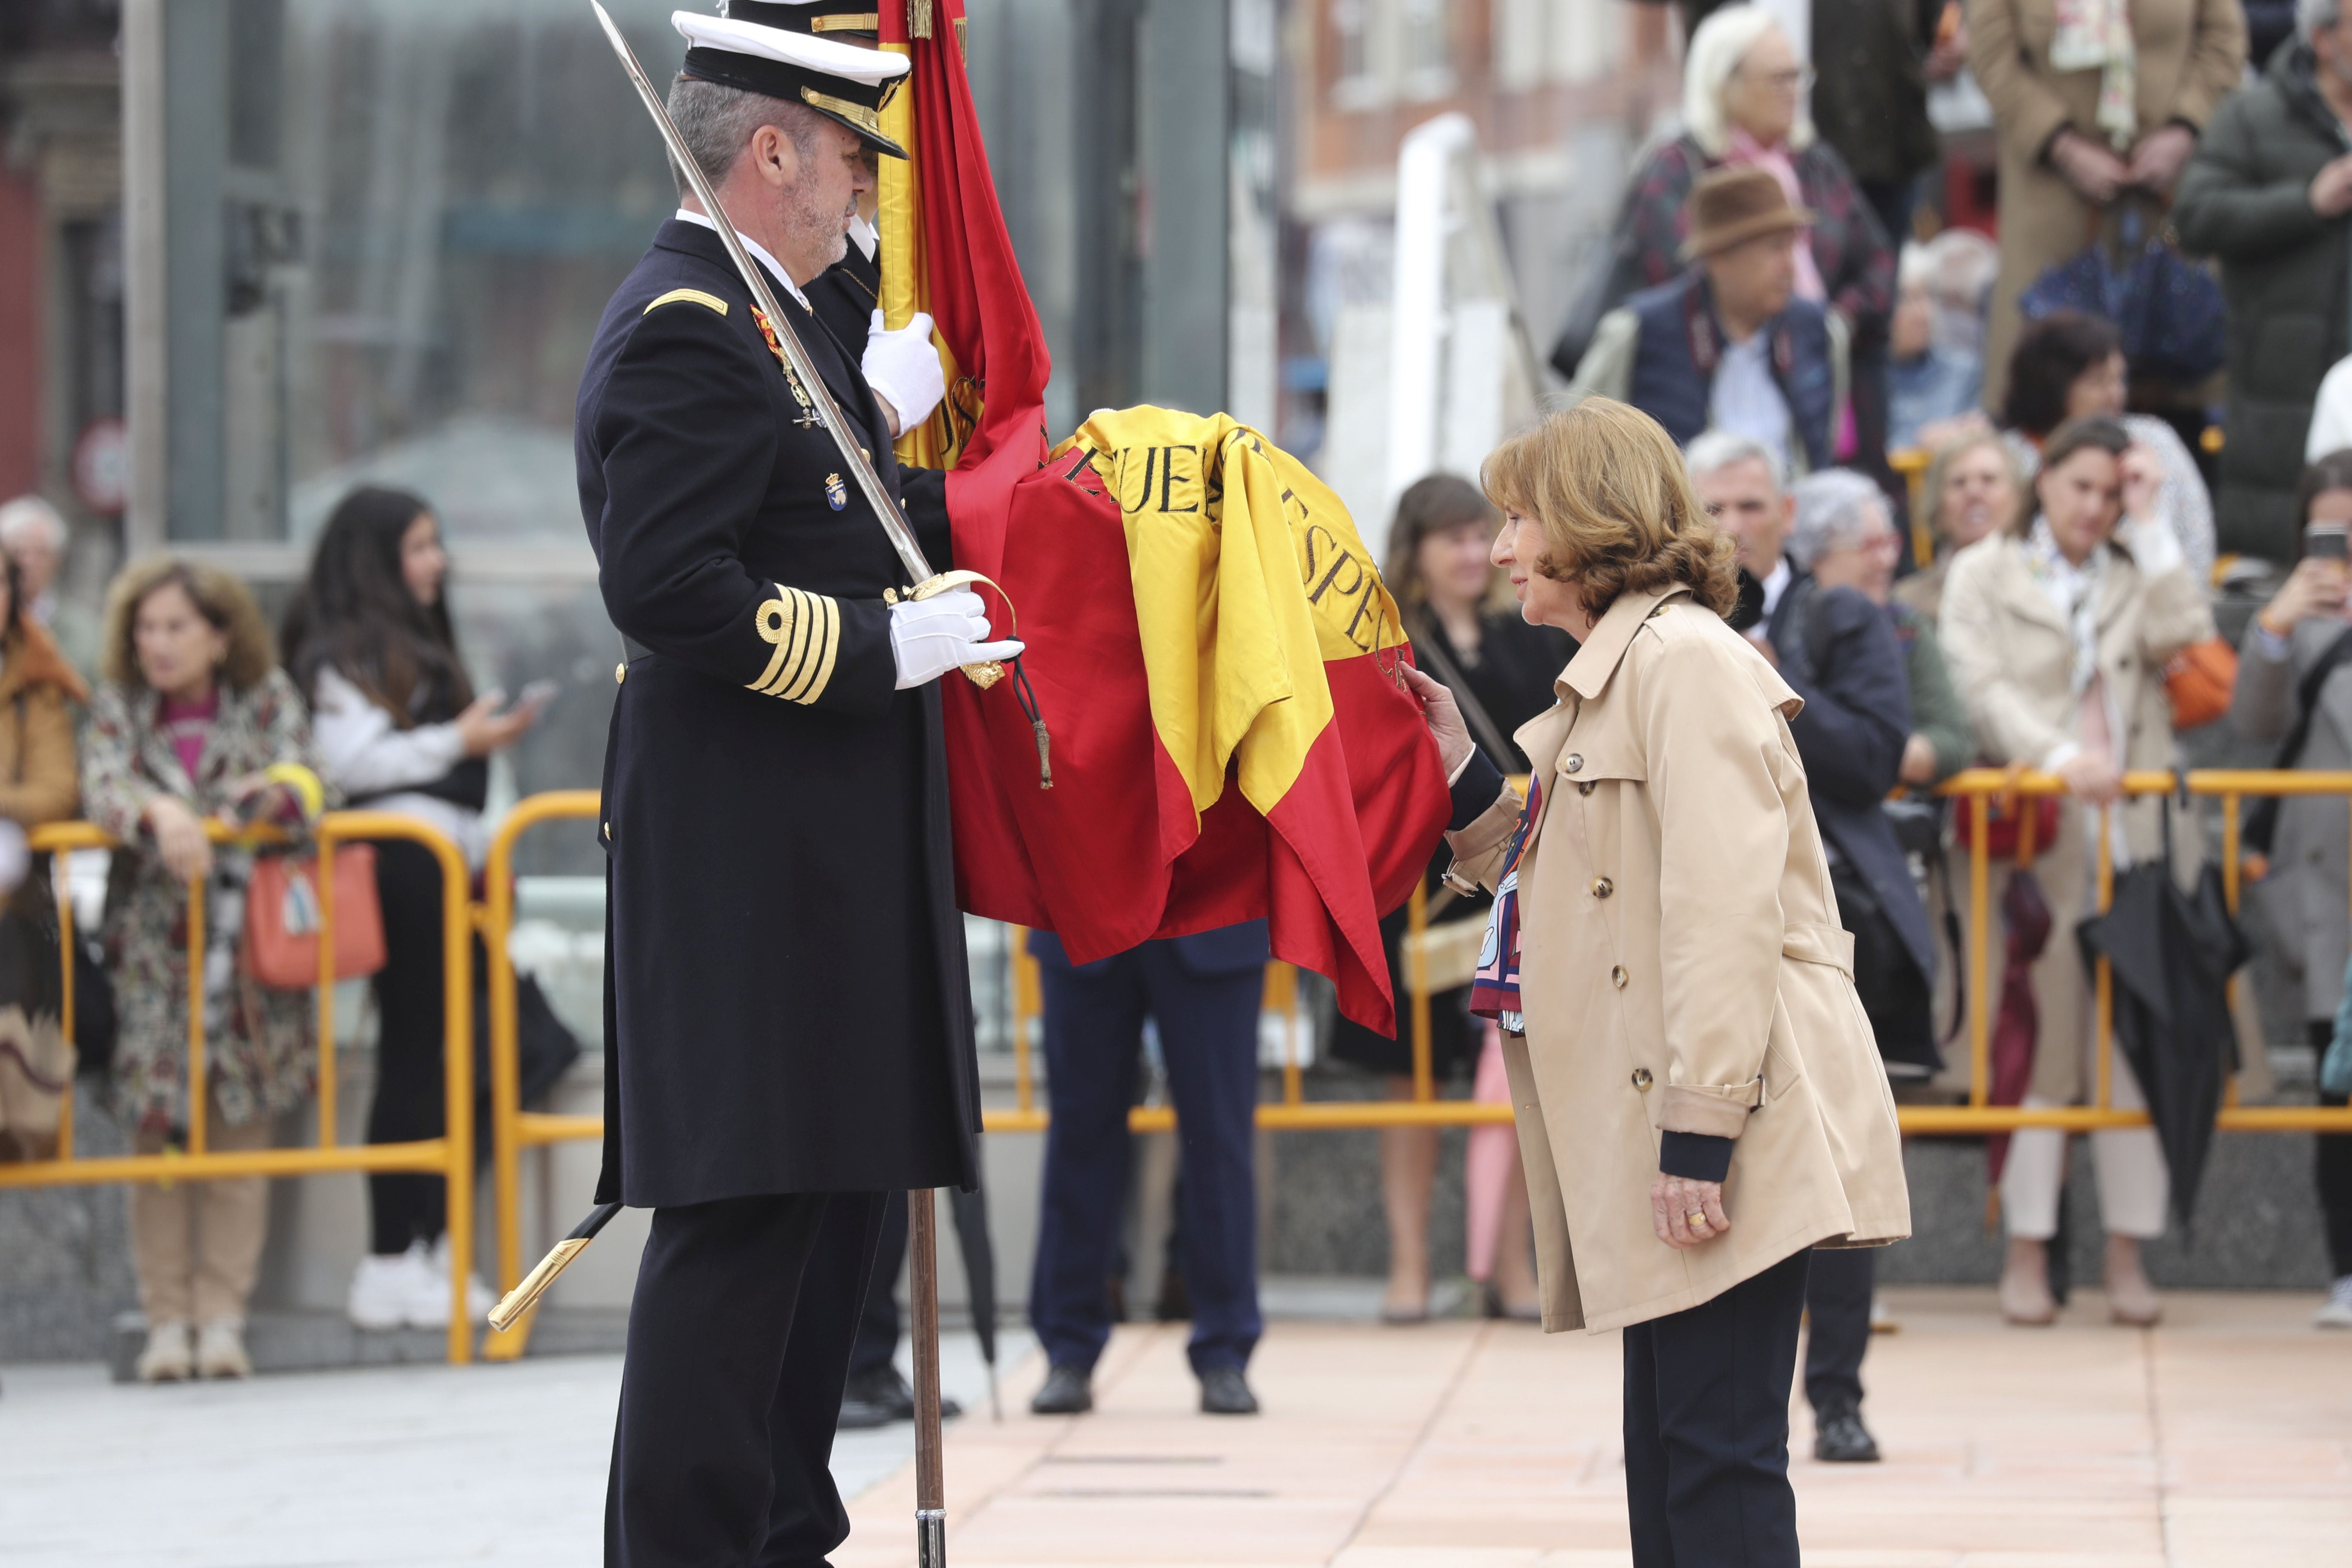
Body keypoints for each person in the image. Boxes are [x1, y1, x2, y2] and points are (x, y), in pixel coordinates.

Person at [576, 10, 1014, 1561]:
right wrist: (880, 644)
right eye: (843, 159)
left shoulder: (777, 316)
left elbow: (804, 502)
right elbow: (669, 583)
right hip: (743, 855)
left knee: (821, 1217)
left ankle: (776, 1523)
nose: (863, 197)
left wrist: (882, 431)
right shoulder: (690, 322)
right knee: (745, 1220)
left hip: (817, 849)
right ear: (769, 151)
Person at [1414, 396, 1908, 1564]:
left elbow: (1723, 913)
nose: (1501, 550)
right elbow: (1558, 861)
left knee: (1718, 1471)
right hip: (1677, 1115)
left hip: (1720, 1119)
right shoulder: (1629, 668)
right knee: (1677, 1468)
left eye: (1520, 518)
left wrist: (1699, 1132)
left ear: (1586, 524)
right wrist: (1455, 769)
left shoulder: (1682, 662)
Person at [1938, 416, 2215, 1326]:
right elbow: (1976, 685)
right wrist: (2057, 755)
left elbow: (2188, 634)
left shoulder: (2136, 569)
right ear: (2043, 480)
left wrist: (2153, 520)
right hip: (2040, 835)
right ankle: (2026, 1253)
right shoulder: (1984, 571)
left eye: (2110, 491)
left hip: (2137, 840)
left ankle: (2128, 1259)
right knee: (2041, 1048)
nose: (2093, 506)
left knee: (2137, 1052)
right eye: (2081, 486)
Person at [280, 486, 542, 1332]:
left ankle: (425, 1244)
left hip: (448, 866)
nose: (438, 563)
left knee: (486, 1047)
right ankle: (394, 1255)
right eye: (421, 547)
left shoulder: (411, 640)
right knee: (416, 1051)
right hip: (401, 868)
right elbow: (350, 764)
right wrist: (456, 743)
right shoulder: (337, 653)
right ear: (379, 560)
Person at [1329, 474, 1571, 1325]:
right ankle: (1406, 1267)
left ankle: (1509, 1269)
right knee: (1411, 1085)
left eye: (1484, 536)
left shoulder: (1532, 638)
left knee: (1514, 1085)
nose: (1474, 554)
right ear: (1418, 548)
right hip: (1416, 888)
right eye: (1454, 538)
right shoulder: (1390, 642)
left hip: (1511, 884)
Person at [81, 558, 327, 1382]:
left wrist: (270, 796)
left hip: (246, 952)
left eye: (178, 626)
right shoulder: (120, 706)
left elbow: (310, 778)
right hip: (151, 956)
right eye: (147, 627)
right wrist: (159, 809)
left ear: (221, 635)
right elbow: (102, 783)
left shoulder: (267, 699)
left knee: (239, 1131)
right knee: (157, 1136)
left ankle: (223, 1316)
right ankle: (166, 1320)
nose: (159, 643)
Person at [1589, 5, 1893, 466]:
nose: (1793, 91)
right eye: (1778, 79)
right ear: (1724, 84)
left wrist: (1825, 327)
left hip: (1815, 380)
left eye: (1798, 76)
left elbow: (1879, 265)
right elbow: (1678, 274)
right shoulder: (1677, 170)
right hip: (1699, 386)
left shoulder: (1816, 164)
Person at [1024, 922, 1270, 1417]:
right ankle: (1068, 1348)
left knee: (1220, 1140)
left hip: (1214, 903)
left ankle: (1225, 1349)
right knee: (1079, 1135)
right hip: (1083, 894)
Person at [1966, 0, 2245, 413]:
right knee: (2052, 381)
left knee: (2179, 387)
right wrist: (2061, 145)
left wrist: (2185, 128)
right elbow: (1992, 58)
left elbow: (2225, 41)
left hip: (2168, 199)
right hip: (2055, 199)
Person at [2225, 449, 2352, 1330]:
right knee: (2338, 1089)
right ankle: (2346, 1266)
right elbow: (2252, 722)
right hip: (2329, 884)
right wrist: (2275, 628)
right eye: (2330, 528)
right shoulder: (2298, 613)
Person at [2174, 0, 2352, 564]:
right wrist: (2306, 203)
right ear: (2324, 40)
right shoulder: (2252, 115)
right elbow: (2195, 217)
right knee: (2284, 568)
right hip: (2278, 390)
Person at [1572, 167, 1846, 476]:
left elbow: (1824, 452)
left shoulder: (1822, 331)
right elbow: (1574, 448)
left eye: (1792, 246)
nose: (1790, 265)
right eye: (1775, 248)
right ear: (1717, 258)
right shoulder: (1637, 334)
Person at [2000, 312, 2216, 586]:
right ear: (2051, 384)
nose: (2115, 394)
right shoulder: (2010, 457)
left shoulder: (2154, 439)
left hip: (2147, 606)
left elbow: (2197, 538)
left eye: (2119, 380)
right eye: (2099, 382)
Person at [1823, 472, 1977, 786]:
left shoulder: (1905, 623)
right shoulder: (1787, 624)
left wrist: (1875, 755)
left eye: (1890, 543)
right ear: (1817, 554)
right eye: (1869, 546)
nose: (1887, 559)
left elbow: (1952, 739)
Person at [1894, 432, 2024, 622]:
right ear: (1936, 504)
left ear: (2019, 498)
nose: (1974, 492)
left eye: (1989, 479)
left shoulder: (2049, 588)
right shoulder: (1906, 604)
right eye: (1959, 483)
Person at [1889, 244, 1984, 451]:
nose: (1922, 314)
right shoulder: (1860, 377)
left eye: (1926, 297)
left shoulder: (1964, 372)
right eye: (1906, 300)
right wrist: (1918, 442)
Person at [0, 494, 101, 680]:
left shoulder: (85, 630)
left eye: (40, 553)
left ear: (57, 560)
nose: (28, 563)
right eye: (19, 552)